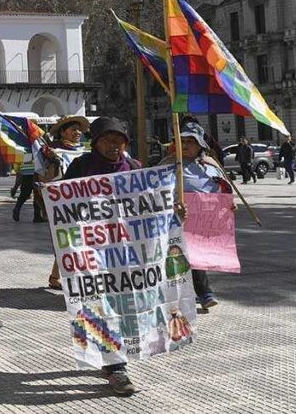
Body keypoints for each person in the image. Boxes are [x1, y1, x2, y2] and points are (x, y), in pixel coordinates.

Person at [61, 116, 142, 397]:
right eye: (107, 140)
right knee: (97, 307)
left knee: (121, 308)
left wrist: (175, 213)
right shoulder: (81, 167)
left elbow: (151, 208)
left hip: (125, 256)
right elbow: (62, 205)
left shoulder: (134, 169)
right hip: (91, 254)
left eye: (119, 140)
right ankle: (116, 367)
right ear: (95, 144)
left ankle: (114, 363)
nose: (113, 145)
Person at [160, 121, 235, 310]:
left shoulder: (210, 165)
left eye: (190, 141)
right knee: (172, 257)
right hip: (170, 220)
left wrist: (228, 206)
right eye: (181, 140)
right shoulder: (167, 164)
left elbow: (223, 190)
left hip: (199, 223)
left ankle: (205, 294)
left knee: (194, 256)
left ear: (200, 144)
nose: (185, 145)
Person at [35, 115, 89, 288]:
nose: (77, 132)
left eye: (79, 129)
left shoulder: (86, 151)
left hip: (85, 200)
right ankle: (63, 277)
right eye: (73, 129)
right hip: (63, 201)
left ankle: (56, 276)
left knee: (79, 238)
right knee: (67, 238)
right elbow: (45, 175)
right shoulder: (52, 151)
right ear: (63, 132)